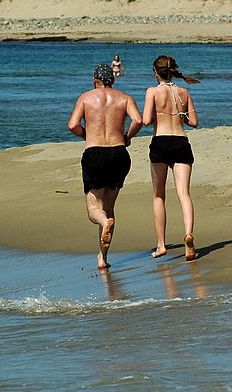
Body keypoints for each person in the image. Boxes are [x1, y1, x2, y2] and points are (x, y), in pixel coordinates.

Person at [67, 63, 143, 270]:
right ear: (113, 80)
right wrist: (127, 137)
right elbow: (138, 120)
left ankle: (103, 224)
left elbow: (72, 125)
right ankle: (102, 258)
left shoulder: (86, 97)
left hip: (95, 153)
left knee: (95, 209)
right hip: (119, 154)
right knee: (109, 209)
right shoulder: (124, 97)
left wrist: (86, 134)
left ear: (94, 80)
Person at [142, 55, 200, 261]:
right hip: (180, 142)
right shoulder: (184, 92)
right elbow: (194, 122)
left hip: (160, 142)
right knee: (184, 193)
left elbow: (147, 120)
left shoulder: (152, 92)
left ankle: (160, 245)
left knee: (159, 195)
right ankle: (188, 234)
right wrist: (180, 112)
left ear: (156, 72)